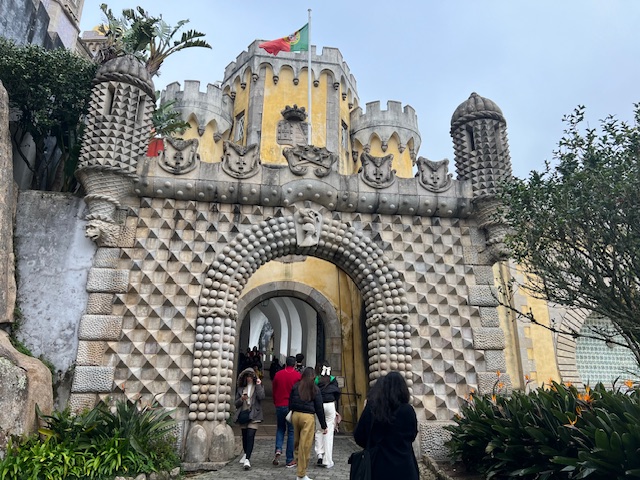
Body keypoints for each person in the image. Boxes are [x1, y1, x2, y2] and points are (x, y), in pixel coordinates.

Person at [353, 371, 419, 480]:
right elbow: (412, 435)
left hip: (379, 467)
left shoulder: (373, 409)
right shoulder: (408, 410)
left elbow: (359, 436)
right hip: (406, 468)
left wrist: (373, 444)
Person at [289, 367, 327, 480]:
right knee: (305, 445)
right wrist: (323, 425)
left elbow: (290, 401)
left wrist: (290, 412)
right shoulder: (314, 389)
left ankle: (297, 460)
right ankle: (301, 473)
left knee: (297, 442)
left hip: (295, 415)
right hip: (307, 417)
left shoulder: (296, 386)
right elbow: (319, 408)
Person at [272, 356, 301, 467]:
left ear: (285, 364)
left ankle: (278, 449)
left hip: (279, 405)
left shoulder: (278, 374)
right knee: (291, 431)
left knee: (280, 428)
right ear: (294, 365)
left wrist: (275, 401)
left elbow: (274, 390)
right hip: (291, 407)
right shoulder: (297, 376)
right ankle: (289, 459)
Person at [234, 367, 265, 471]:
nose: (249, 378)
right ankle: (246, 453)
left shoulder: (257, 386)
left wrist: (259, 385)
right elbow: (236, 403)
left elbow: (261, 397)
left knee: (251, 435)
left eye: (251, 376)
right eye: (247, 376)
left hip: (254, 414)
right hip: (243, 413)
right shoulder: (240, 388)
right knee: (245, 436)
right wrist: (241, 399)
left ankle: (247, 459)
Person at [313, 361, 341, 469]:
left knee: (319, 429)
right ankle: (327, 460)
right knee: (328, 433)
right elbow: (337, 394)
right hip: (330, 405)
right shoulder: (333, 380)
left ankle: (319, 453)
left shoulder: (317, 380)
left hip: (319, 405)